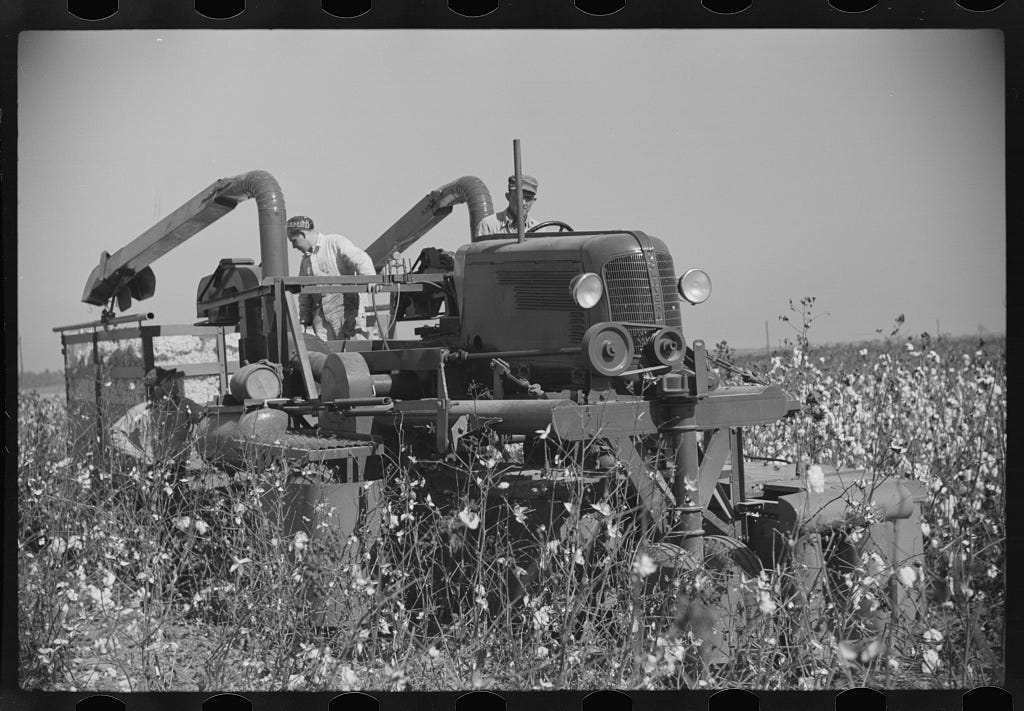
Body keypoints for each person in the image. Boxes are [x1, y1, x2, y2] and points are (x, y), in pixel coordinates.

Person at [286, 215, 377, 340]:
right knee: (325, 356)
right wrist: (304, 320)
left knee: (351, 352)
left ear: (303, 234)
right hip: (320, 318)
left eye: (294, 240)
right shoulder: (305, 261)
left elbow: (361, 259)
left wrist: (370, 279)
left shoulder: (334, 243)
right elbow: (305, 294)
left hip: (345, 312)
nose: (293, 246)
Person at [109, 367, 205, 471]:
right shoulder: (143, 411)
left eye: (173, 379)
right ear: (157, 388)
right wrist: (140, 456)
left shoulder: (185, 405)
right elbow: (115, 433)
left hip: (178, 469)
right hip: (152, 471)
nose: (174, 383)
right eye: (168, 380)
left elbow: (206, 417)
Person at [476, 175, 540, 237]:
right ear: (508, 197)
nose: (523, 203)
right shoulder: (488, 225)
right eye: (519, 197)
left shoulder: (539, 230)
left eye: (528, 198)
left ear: (533, 201)